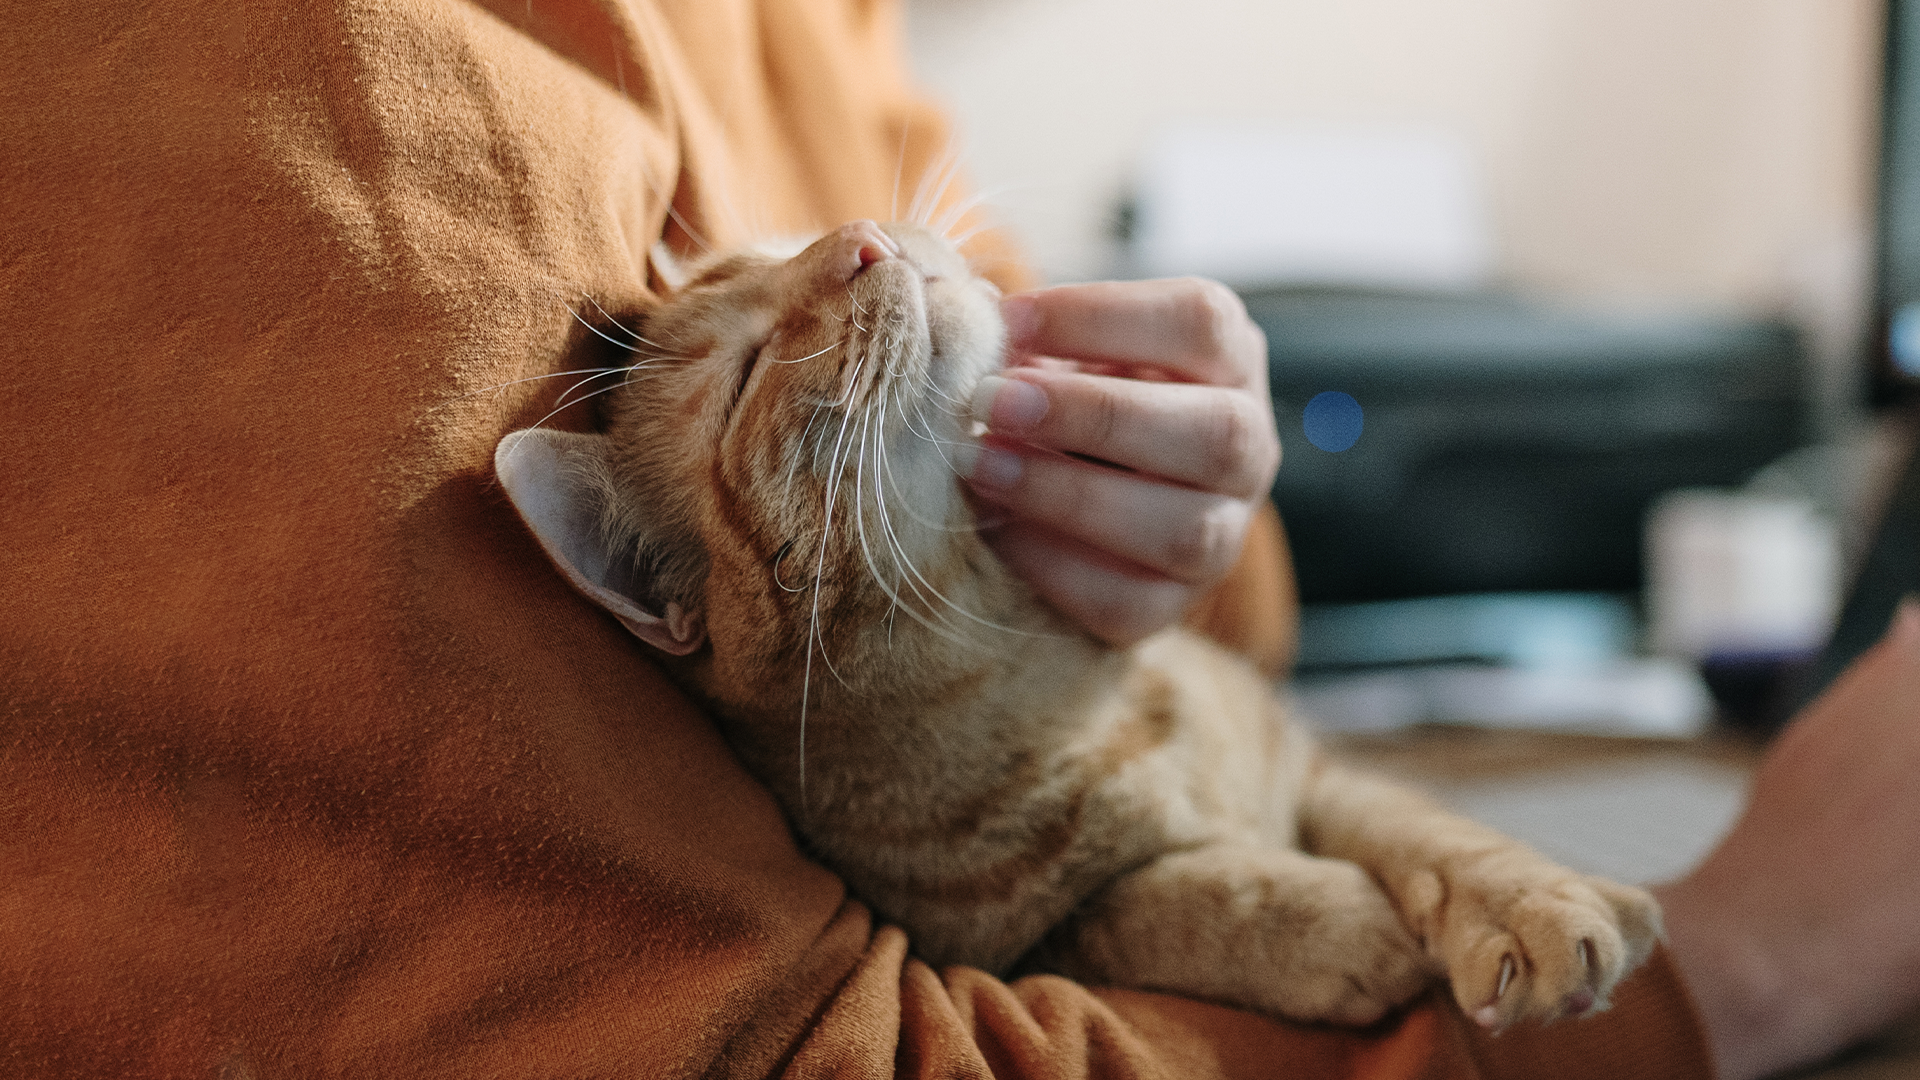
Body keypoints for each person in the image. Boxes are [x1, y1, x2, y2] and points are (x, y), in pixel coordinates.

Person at [4, 0, 1916, 1076]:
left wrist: (1172, 508)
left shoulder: (820, 23)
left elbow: (1201, 638)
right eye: (750, 347)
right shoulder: (295, 90)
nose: (853, 252)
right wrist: (1731, 972)